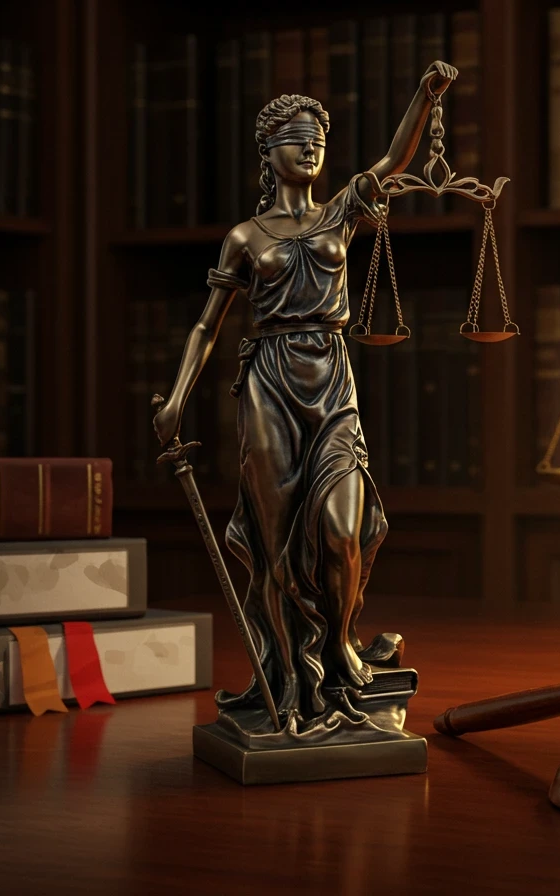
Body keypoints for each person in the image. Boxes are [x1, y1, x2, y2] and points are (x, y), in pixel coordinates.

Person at [152, 61, 457, 738]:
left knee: (345, 532)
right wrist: (176, 400)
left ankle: (342, 645)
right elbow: (207, 324)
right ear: (267, 154)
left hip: (332, 374)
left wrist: (424, 91)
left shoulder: (342, 211)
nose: (310, 146)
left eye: (317, 135)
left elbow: (393, 159)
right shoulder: (244, 237)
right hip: (267, 380)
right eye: (294, 137)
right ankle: (289, 680)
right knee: (274, 543)